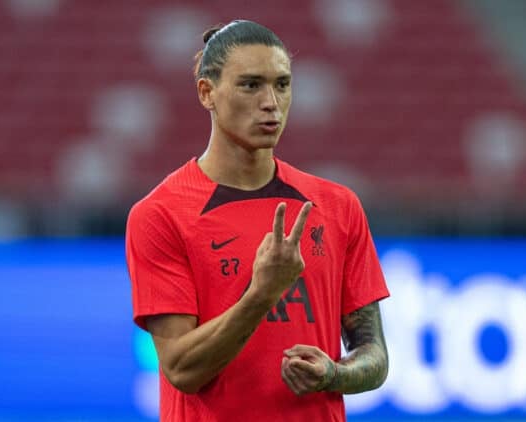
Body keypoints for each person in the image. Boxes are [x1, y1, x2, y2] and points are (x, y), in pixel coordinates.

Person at [126, 19, 389, 422]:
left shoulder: (337, 206)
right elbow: (182, 369)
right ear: (206, 93)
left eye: (282, 84)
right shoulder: (161, 215)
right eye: (251, 85)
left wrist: (333, 373)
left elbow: (374, 356)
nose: (271, 102)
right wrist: (262, 293)